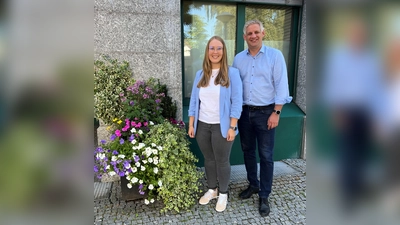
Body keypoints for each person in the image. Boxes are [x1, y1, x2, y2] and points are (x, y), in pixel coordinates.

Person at [232, 20, 292, 217]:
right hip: (244, 112)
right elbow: (233, 86)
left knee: (266, 155)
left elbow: (282, 85)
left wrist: (276, 112)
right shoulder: (238, 59)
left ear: (263, 33)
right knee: (248, 151)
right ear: (244, 37)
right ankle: (253, 185)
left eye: (256, 32)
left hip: (266, 112)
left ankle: (265, 195)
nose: (253, 36)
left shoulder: (275, 56)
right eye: (249, 33)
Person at [188, 36, 243, 212]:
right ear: (207, 51)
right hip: (202, 125)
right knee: (209, 159)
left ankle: (224, 193)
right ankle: (212, 189)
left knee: (222, 160)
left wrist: (232, 126)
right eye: (212, 48)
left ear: (223, 51)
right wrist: (191, 124)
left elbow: (237, 101)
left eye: (219, 48)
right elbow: (194, 102)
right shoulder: (200, 74)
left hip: (223, 126)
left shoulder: (231, 73)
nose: (215, 52)